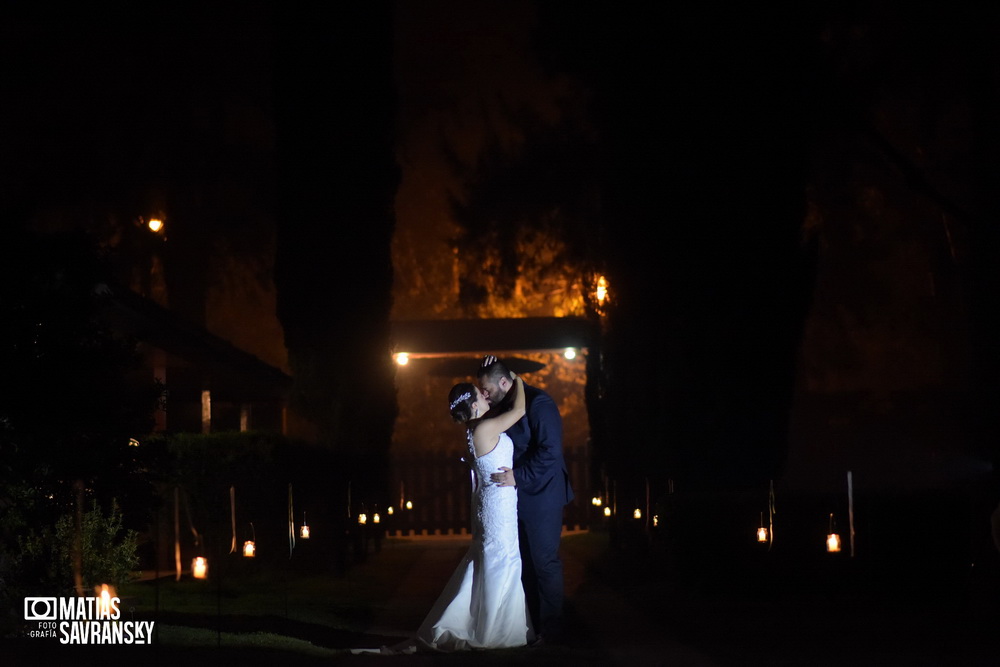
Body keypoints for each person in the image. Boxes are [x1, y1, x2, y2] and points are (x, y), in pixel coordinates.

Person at [388, 371, 534, 653]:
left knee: (495, 559)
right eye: (481, 394)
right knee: (499, 561)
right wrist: (517, 380)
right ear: (475, 404)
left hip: (494, 501)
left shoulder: (478, 428)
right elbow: (520, 409)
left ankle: (496, 624)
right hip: (496, 505)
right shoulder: (483, 429)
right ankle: (492, 630)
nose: (486, 395)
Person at [479, 355, 574, 643]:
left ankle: (553, 629)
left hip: (542, 494)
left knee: (544, 562)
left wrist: (517, 476)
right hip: (512, 499)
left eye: (487, 389)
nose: (484, 394)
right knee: (523, 563)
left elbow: (551, 452)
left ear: (505, 382)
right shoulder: (501, 407)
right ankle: (530, 626)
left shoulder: (539, 403)